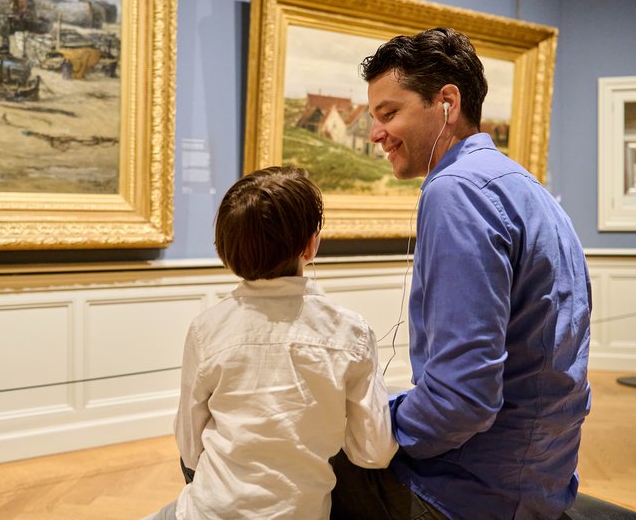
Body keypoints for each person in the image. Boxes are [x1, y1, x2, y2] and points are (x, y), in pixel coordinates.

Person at [330, 28, 592, 520]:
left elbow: (463, 401)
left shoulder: (456, 191)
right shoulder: (524, 186)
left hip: (467, 496)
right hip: (539, 483)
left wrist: (379, 427)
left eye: (389, 113)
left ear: (446, 102)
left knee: (263, 441)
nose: (375, 134)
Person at [146, 166, 397, 520]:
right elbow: (374, 451)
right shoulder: (351, 333)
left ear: (226, 250)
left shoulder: (207, 329)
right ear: (311, 245)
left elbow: (189, 448)